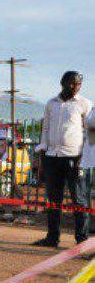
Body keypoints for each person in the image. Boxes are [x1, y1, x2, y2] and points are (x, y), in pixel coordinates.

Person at [33, 71, 92, 247]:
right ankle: (52, 238)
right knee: (53, 200)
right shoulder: (51, 104)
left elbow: (92, 133)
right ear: (63, 83)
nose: (75, 87)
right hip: (52, 157)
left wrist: (84, 157)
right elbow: (45, 131)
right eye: (72, 83)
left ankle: (81, 241)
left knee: (80, 201)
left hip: (75, 158)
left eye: (79, 84)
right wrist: (43, 158)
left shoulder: (85, 104)